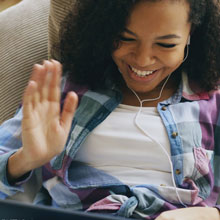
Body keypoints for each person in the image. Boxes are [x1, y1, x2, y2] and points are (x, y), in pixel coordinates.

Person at [1, 0, 220, 219]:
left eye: (166, 44)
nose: (143, 60)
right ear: (105, 29)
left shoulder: (212, 104)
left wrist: (211, 216)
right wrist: (25, 159)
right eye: (125, 38)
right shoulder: (64, 92)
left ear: (192, 35)